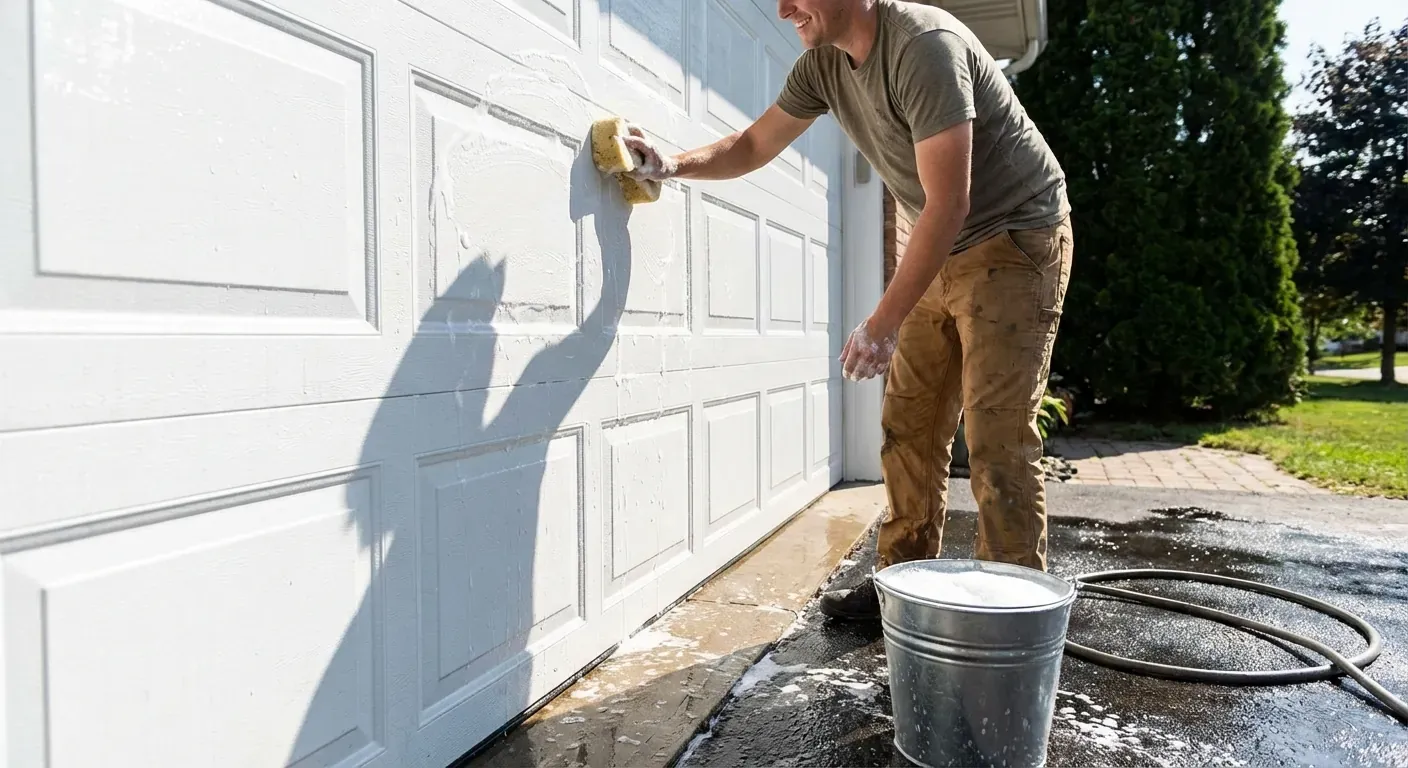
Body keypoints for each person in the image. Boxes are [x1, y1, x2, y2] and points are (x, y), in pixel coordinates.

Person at [623, 0, 1072, 621]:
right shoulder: (823, 65)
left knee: (996, 439)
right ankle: (901, 589)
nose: (782, 11)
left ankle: (1011, 617)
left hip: (1015, 238)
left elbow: (950, 202)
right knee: (908, 428)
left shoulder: (923, 45)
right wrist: (670, 165)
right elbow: (754, 143)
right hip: (939, 240)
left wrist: (880, 324)